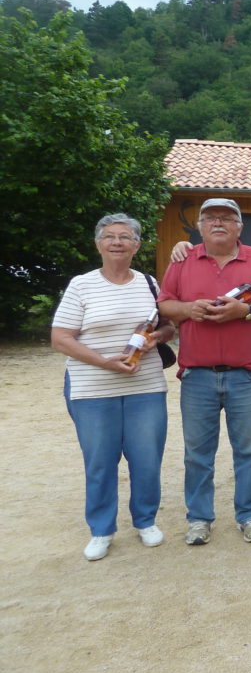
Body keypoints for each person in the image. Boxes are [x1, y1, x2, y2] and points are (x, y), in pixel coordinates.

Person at [158, 198, 251, 546]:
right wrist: (187, 308)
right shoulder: (184, 259)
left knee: (248, 452)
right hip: (197, 375)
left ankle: (249, 515)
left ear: (239, 227)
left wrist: (243, 310)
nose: (219, 223)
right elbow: (165, 304)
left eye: (228, 218)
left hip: (246, 375)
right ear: (199, 226)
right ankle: (199, 518)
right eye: (210, 217)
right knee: (198, 454)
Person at [52, 214, 175, 561]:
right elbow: (60, 338)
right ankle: (102, 529)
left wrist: (157, 338)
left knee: (146, 457)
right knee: (101, 461)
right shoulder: (82, 285)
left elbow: (168, 327)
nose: (117, 242)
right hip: (91, 389)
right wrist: (104, 361)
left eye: (125, 237)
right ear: (98, 244)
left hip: (145, 386)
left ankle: (146, 521)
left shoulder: (150, 283)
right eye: (109, 236)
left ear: (136, 245)